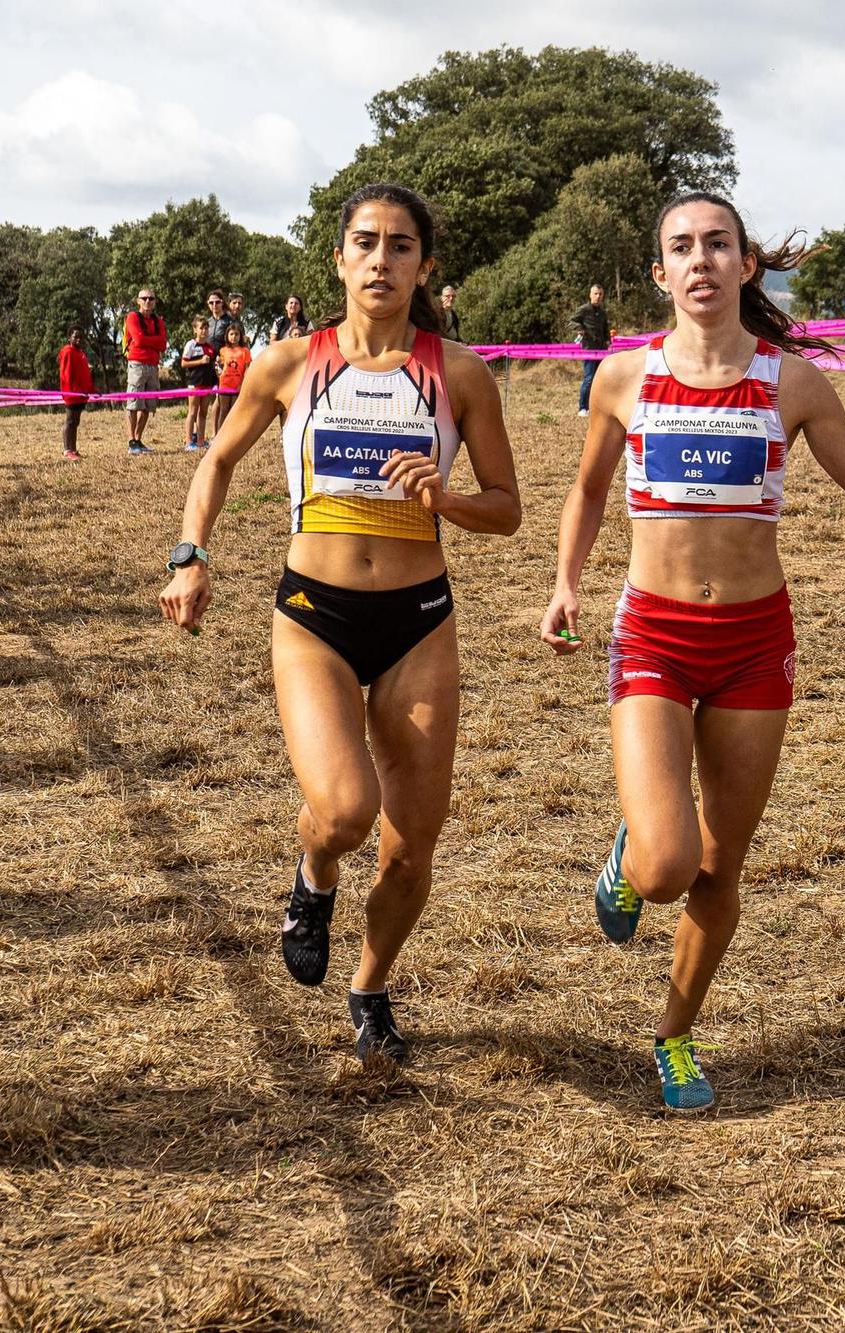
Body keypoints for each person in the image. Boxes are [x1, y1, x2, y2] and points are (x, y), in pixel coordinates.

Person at [539, 191, 845, 1113]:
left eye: (717, 244)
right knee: (666, 865)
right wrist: (566, 581)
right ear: (660, 273)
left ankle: (674, 1034)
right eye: (681, 247)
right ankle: (633, 853)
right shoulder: (624, 375)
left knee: (722, 865)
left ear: (746, 264)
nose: (701, 261)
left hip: (756, 644)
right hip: (654, 634)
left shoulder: (793, 383)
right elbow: (590, 491)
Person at [157, 183, 520, 1067]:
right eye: (366, 243)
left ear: (422, 265)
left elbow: (507, 509)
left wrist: (448, 498)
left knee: (410, 847)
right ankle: (312, 876)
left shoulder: (458, 372)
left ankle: (370, 985)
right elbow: (218, 461)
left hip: (420, 620)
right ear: (339, 259)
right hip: (316, 615)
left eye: (401, 246)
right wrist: (188, 552)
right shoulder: (287, 362)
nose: (382, 260)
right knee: (346, 811)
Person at [122, 288, 166, 454]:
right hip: (137, 364)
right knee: (133, 404)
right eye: (144, 298)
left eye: (151, 299)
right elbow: (138, 340)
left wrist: (148, 340)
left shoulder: (158, 321)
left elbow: (163, 344)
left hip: (153, 366)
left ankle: (138, 440)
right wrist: (152, 341)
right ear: (138, 301)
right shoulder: (132, 317)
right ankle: (131, 440)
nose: (148, 301)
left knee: (148, 405)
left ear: (155, 302)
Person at [567, 284, 611, 417]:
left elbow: (605, 328)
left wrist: (608, 340)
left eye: (600, 294)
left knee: (600, 380)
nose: (598, 296)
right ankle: (582, 407)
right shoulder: (584, 309)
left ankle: (597, 408)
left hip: (602, 350)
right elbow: (571, 322)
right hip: (589, 350)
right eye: (596, 294)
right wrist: (580, 329)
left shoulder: (603, 313)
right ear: (590, 295)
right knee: (589, 378)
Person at [180, 316, 216, 450]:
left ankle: (201, 440)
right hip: (194, 383)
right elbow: (183, 363)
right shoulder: (191, 344)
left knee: (203, 412)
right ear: (195, 330)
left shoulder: (209, 347)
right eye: (201, 328)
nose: (204, 331)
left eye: (206, 328)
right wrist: (200, 361)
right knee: (192, 412)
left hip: (207, 384)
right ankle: (189, 441)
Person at [58, 326, 93, 460]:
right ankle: (67, 450)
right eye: (75, 337)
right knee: (70, 421)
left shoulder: (80, 353)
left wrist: (90, 390)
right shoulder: (67, 352)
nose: (78, 340)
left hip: (81, 395)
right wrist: (70, 392)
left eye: (80, 337)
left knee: (76, 421)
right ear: (69, 338)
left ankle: (73, 448)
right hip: (72, 394)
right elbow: (66, 375)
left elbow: (85, 374)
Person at [214, 323, 251, 433]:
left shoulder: (245, 351)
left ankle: (233, 434)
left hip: (237, 386)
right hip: (224, 385)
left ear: (240, 336)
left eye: (236, 334)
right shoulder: (223, 350)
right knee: (223, 411)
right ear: (227, 336)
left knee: (234, 412)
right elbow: (218, 366)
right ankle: (220, 435)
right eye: (231, 334)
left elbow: (247, 368)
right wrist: (218, 374)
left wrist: (242, 384)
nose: (234, 337)